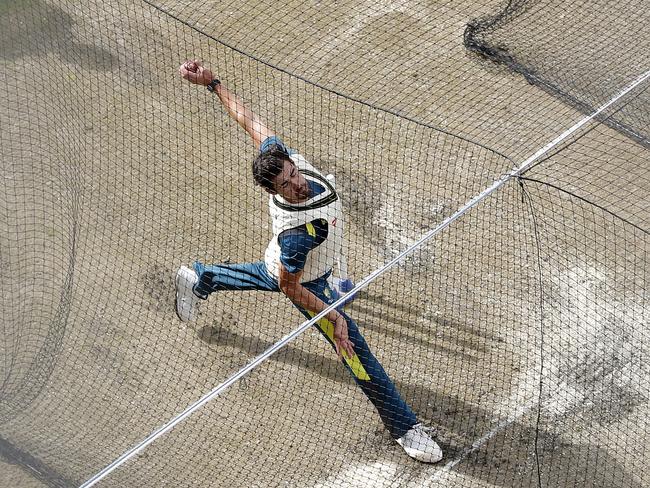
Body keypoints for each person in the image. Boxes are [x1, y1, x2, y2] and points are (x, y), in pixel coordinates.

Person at [176, 60, 443, 463]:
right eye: (286, 183)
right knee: (355, 351)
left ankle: (201, 277)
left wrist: (213, 83)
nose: (297, 182)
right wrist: (333, 317)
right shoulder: (297, 235)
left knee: (265, 274)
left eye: (293, 172)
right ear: (273, 189)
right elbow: (290, 286)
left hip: (305, 264)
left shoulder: (286, 161)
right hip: (307, 280)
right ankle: (404, 427)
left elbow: (253, 124)